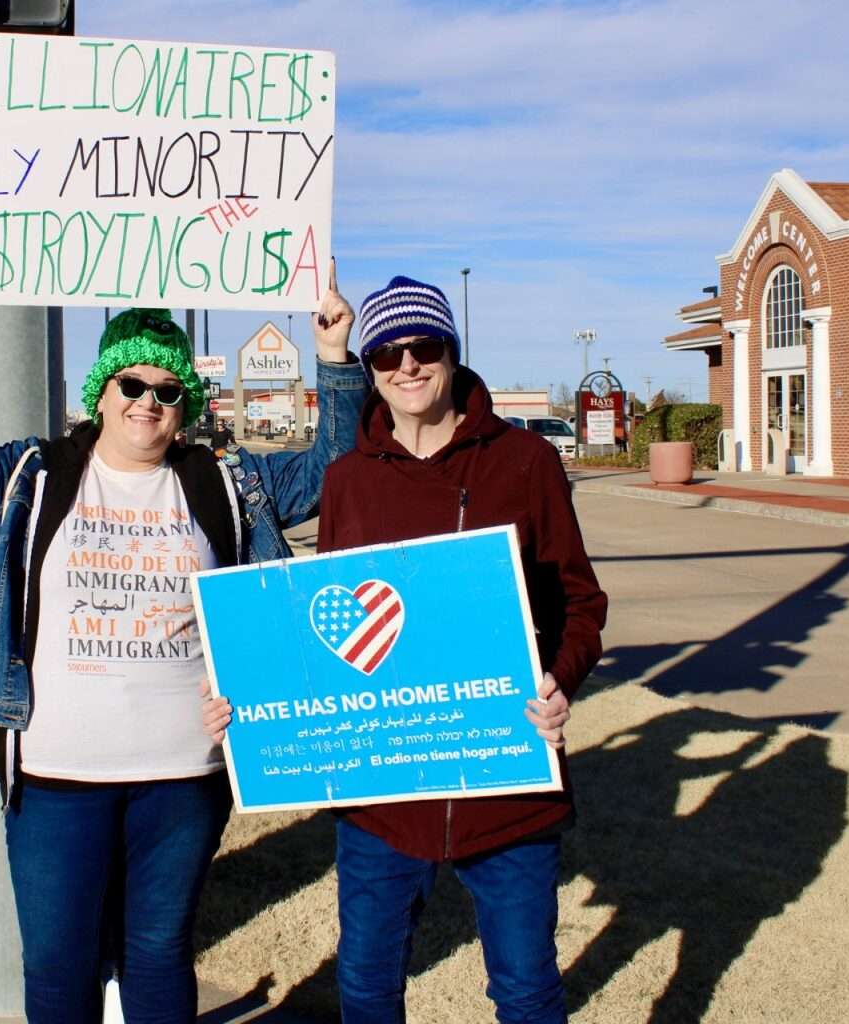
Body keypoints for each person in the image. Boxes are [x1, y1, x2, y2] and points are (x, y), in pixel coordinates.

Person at [0, 250, 365, 1023]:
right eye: (132, 384)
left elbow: (336, 468)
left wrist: (335, 358)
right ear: (101, 394)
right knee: (58, 965)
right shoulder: (34, 475)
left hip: (183, 777)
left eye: (168, 390)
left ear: (187, 403)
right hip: (52, 779)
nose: (149, 401)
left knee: (158, 954)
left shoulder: (222, 483)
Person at [204, 277, 608, 1024]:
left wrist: (559, 680)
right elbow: (324, 638)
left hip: (505, 783)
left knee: (525, 992)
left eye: (426, 346)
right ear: (373, 364)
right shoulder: (348, 479)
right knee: (365, 987)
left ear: (452, 353)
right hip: (381, 794)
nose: (408, 365)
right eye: (388, 351)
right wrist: (251, 704)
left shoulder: (524, 462)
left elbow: (581, 604)